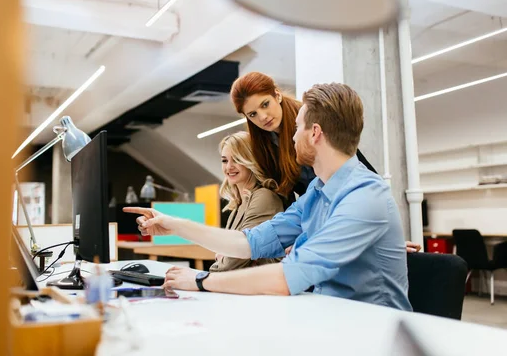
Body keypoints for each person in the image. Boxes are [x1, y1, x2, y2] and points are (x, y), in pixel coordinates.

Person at [125, 83, 412, 311]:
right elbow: (250, 242)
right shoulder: (317, 191)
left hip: (372, 332)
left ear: (314, 133)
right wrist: (174, 224)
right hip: (328, 316)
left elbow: (287, 278)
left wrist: (200, 280)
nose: (291, 137)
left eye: (297, 127)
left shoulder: (364, 196)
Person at [230, 72, 421, 254]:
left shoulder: (310, 120)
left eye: (265, 104)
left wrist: (386, 238)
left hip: (344, 213)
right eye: (253, 114)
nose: (263, 117)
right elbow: (287, 202)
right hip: (315, 216)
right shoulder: (265, 145)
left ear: (277, 95)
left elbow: (361, 175)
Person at [209, 131, 283, 272]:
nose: (229, 167)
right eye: (225, 160)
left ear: (251, 161)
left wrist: (221, 260)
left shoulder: (264, 197)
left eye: (236, 159)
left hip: (264, 287)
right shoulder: (238, 204)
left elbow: (234, 260)